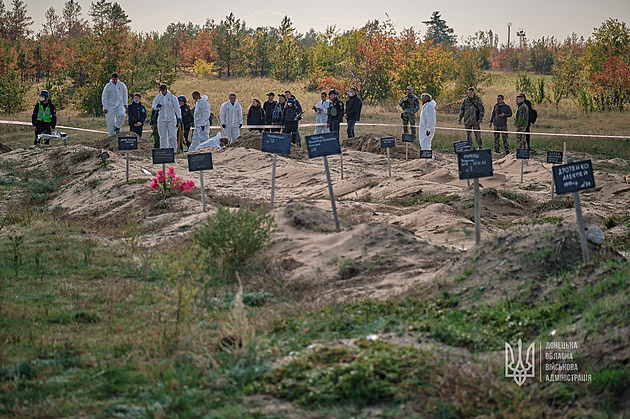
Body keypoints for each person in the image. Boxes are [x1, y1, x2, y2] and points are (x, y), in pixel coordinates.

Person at [152, 84, 182, 152]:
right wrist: (157, 106)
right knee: (163, 136)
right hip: (162, 118)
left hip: (171, 118)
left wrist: (179, 116)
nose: (163, 92)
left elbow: (177, 107)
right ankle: (164, 149)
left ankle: (173, 149)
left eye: (164, 91)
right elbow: (153, 106)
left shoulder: (172, 97)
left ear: (166, 89)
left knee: (172, 135)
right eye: (161, 91)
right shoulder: (158, 97)